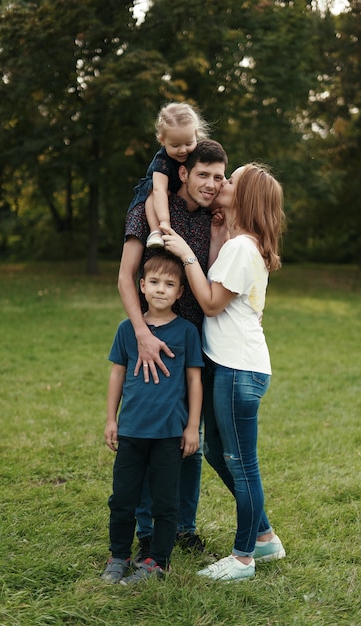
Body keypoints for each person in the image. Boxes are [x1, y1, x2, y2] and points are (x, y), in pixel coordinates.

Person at [163, 162, 286, 581]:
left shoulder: (242, 248)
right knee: (219, 453)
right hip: (233, 366)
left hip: (239, 371)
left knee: (241, 463)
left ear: (246, 196)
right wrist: (217, 233)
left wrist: (184, 254)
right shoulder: (240, 244)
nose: (221, 184)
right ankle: (265, 536)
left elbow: (212, 303)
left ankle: (243, 558)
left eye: (230, 180)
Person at [118, 139, 228, 562]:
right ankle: (146, 530)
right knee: (149, 437)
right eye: (203, 174)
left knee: (189, 442)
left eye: (218, 177)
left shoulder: (216, 217)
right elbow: (127, 278)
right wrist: (142, 334)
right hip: (154, 343)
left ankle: (183, 526)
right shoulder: (148, 209)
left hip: (196, 345)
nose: (211, 184)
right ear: (183, 172)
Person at [102, 251, 204, 585]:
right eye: (155, 282)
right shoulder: (127, 329)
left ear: (180, 292)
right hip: (131, 430)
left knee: (165, 502)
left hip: (168, 434)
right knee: (123, 499)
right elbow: (116, 376)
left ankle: (158, 561)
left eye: (170, 284)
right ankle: (119, 556)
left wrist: (191, 427)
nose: (161, 289)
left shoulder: (187, 332)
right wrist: (111, 420)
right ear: (141, 286)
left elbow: (193, 381)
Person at [127, 101, 210, 248]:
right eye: (175, 145)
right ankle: (155, 232)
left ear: (195, 135)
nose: (183, 150)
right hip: (157, 192)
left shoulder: (197, 154)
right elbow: (159, 190)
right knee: (153, 191)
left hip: (180, 198)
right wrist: (164, 221)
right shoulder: (162, 160)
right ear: (162, 140)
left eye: (188, 143)